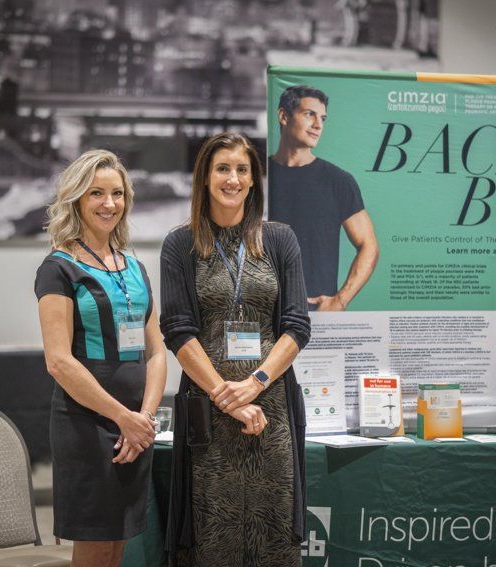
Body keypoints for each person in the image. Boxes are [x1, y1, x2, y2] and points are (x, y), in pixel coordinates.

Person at [160, 132, 311, 565]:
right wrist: (226, 396)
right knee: (213, 535)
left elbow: (297, 325)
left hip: (273, 408)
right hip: (208, 411)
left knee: (275, 532)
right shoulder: (181, 244)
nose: (233, 178)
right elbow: (178, 330)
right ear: (205, 178)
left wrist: (255, 383)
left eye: (242, 169)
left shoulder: (280, 240)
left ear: (254, 179)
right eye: (222, 168)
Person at [34, 149, 166, 567]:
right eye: (96, 194)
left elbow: (157, 350)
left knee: (118, 547)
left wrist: (143, 419)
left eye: (117, 194)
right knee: (93, 547)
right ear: (76, 199)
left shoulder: (135, 268)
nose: (109, 204)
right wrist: (122, 417)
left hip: (137, 429)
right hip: (86, 426)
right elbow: (59, 361)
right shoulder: (58, 268)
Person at [269, 84, 379, 310]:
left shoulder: (338, 181)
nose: (318, 125)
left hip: (315, 319)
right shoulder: (257, 175)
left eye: (323, 118)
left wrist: (340, 300)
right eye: (310, 114)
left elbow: (369, 246)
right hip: (260, 318)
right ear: (283, 116)